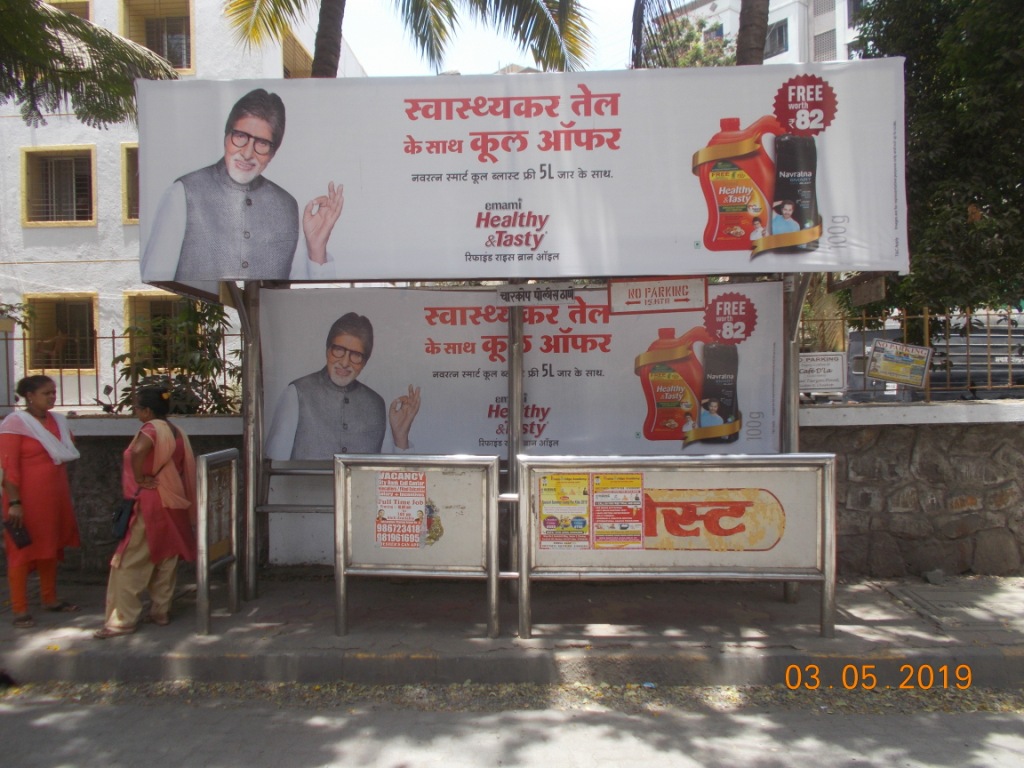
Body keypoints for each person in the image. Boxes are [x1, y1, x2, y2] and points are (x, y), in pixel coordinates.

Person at [141, 88, 344, 282]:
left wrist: (316, 248)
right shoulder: (182, 194)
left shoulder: (287, 206)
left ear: (273, 153)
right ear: (226, 136)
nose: (247, 153)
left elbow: (304, 299)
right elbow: (158, 284)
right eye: (240, 137)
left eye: (262, 143)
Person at [94, 386, 197, 638]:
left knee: (130, 560)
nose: (136, 412)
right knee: (166, 556)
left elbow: (138, 451)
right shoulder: (175, 430)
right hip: (173, 499)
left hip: (151, 500)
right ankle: (160, 611)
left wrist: (140, 477)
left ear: (148, 410)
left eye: (137, 407)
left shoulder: (151, 429)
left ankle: (122, 619)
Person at [265, 312, 421, 460]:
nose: (345, 362)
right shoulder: (296, 393)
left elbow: (390, 474)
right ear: (327, 351)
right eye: (339, 350)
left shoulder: (376, 404)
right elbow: (275, 464)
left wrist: (400, 437)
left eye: (356, 355)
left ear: (364, 363)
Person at [0, 376, 81, 629]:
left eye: (54, 392)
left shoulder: (58, 421)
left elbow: (66, 450)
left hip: (55, 496)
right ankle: (20, 608)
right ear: (30, 395)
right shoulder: (14, 423)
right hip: (26, 499)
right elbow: (6, 466)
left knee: (50, 546)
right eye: (47, 393)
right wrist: (15, 502)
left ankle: (49, 598)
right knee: (22, 550)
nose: (52, 397)